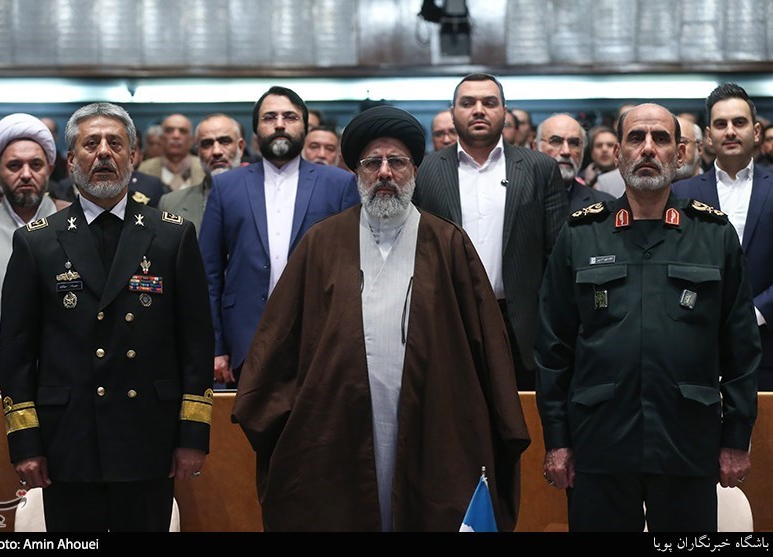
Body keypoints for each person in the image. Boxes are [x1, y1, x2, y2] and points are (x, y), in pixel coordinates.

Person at [232, 105, 530, 532]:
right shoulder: (321, 243)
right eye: (373, 163)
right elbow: (277, 341)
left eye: (397, 162)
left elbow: (489, 349)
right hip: (336, 428)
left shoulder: (448, 244)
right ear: (357, 172)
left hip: (434, 424)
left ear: (415, 171)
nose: (385, 172)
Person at [535, 103, 760, 532]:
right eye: (636, 138)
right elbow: (552, 348)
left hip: (686, 440)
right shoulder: (580, 234)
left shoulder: (713, 234)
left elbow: (741, 348)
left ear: (680, 153)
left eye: (661, 138)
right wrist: (558, 440)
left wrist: (735, 438)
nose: (648, 148)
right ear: (619, 153)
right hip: (599, 440)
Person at [0, 102, 214, 531]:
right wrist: (25, 442)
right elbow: (17, 352)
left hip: (148, 436)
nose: (103, 153)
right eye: (90, 143)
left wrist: (192, 436)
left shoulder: (172, 235)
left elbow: (196, 344)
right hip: (68, 440)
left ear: (133, 156)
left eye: (115, 143)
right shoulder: (36, 243)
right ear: (70, 160)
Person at [413, 73, 567, 391]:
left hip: (520, 323)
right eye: (468, 103)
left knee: (522, 416)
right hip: (449, 318)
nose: (479, 110)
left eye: (489, 102)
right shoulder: (425, 170)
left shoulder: (540, 168)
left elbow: (558, 255)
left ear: (505, 112)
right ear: (453, 112)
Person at [199, 86, 359, 387]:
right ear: (256, 130)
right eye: (270, 117)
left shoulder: (339, 184)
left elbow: (353, 271)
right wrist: (216, 347)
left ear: (305, 127)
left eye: (290, 117)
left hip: (318, 341)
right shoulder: (227, 187)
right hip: (244, 342)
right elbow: (208, 274)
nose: (280, 124)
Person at [673, 83, 773, 390]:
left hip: (767, 343)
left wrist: (757, 312)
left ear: (756, 131)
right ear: (708, 136)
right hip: (698, 346)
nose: (730, 131)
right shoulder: (680, 194)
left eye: (739, 122)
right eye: (720, 124)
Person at [0, 114, 69, 392]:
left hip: (65, 398)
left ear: (49, 169)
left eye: (35, 165)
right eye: (14, 165)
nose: (26, 174)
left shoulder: (77, 222)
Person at [159, 113, 245, 236]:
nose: (216, 151)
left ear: (240, 147)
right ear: (198, 151)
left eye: (225, 141)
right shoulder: (170, 204)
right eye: (207, 144)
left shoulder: (264, 196)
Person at [536, 114, 615, 212]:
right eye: (556, 141)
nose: (566, 151)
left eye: (574, 143)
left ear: (583, 150)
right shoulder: (518, 197)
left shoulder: (605, 206)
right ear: (535, 147)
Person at [138, 113, 205, 190]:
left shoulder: (204, 168)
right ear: (161, 138)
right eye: (169, 130)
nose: (176, 136)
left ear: (191, 140)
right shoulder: (144, 168)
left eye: (183, 131)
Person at [673, 116, 703, 182]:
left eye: (681, 141)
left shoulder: (715, 184)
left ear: (699, 148)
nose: (673, 149)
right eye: (668, 143)